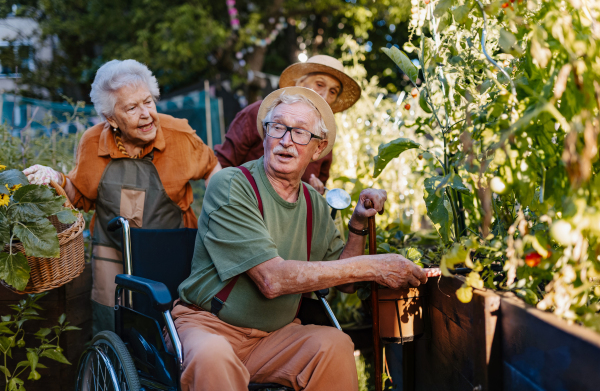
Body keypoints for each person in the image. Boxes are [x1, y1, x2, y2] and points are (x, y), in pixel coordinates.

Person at [174, 87, 440, 390]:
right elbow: (272, 280)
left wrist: (357, 223)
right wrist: (375, 266)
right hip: (211, 328)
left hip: (274, 337)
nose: (285, 140)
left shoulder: (314, 203)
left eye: (300, 132)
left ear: (318, 148)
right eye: (277, 128)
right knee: (213, 356)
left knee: (335, 345)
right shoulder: (232, 185)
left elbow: (347, 280)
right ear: (265, 136)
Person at [23, 59, 221, 334]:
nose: (146, 114)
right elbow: (80, 196)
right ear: (111, 119)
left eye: (148, 101)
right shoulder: (92, 143)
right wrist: (57, 178)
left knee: (171, 323)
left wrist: (215, 220)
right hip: (112, 249)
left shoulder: (179, 135)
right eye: (132, 107)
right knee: (111, 322)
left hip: (170, 245)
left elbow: (214, 170)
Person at [214, 55, 361, 194]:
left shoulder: (323, 140)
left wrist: (316, 193)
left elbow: (317, 191)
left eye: (333, 91)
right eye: (319, 84)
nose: (324, 95)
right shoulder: (261, 114)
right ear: (300, 83)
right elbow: (220, 168)